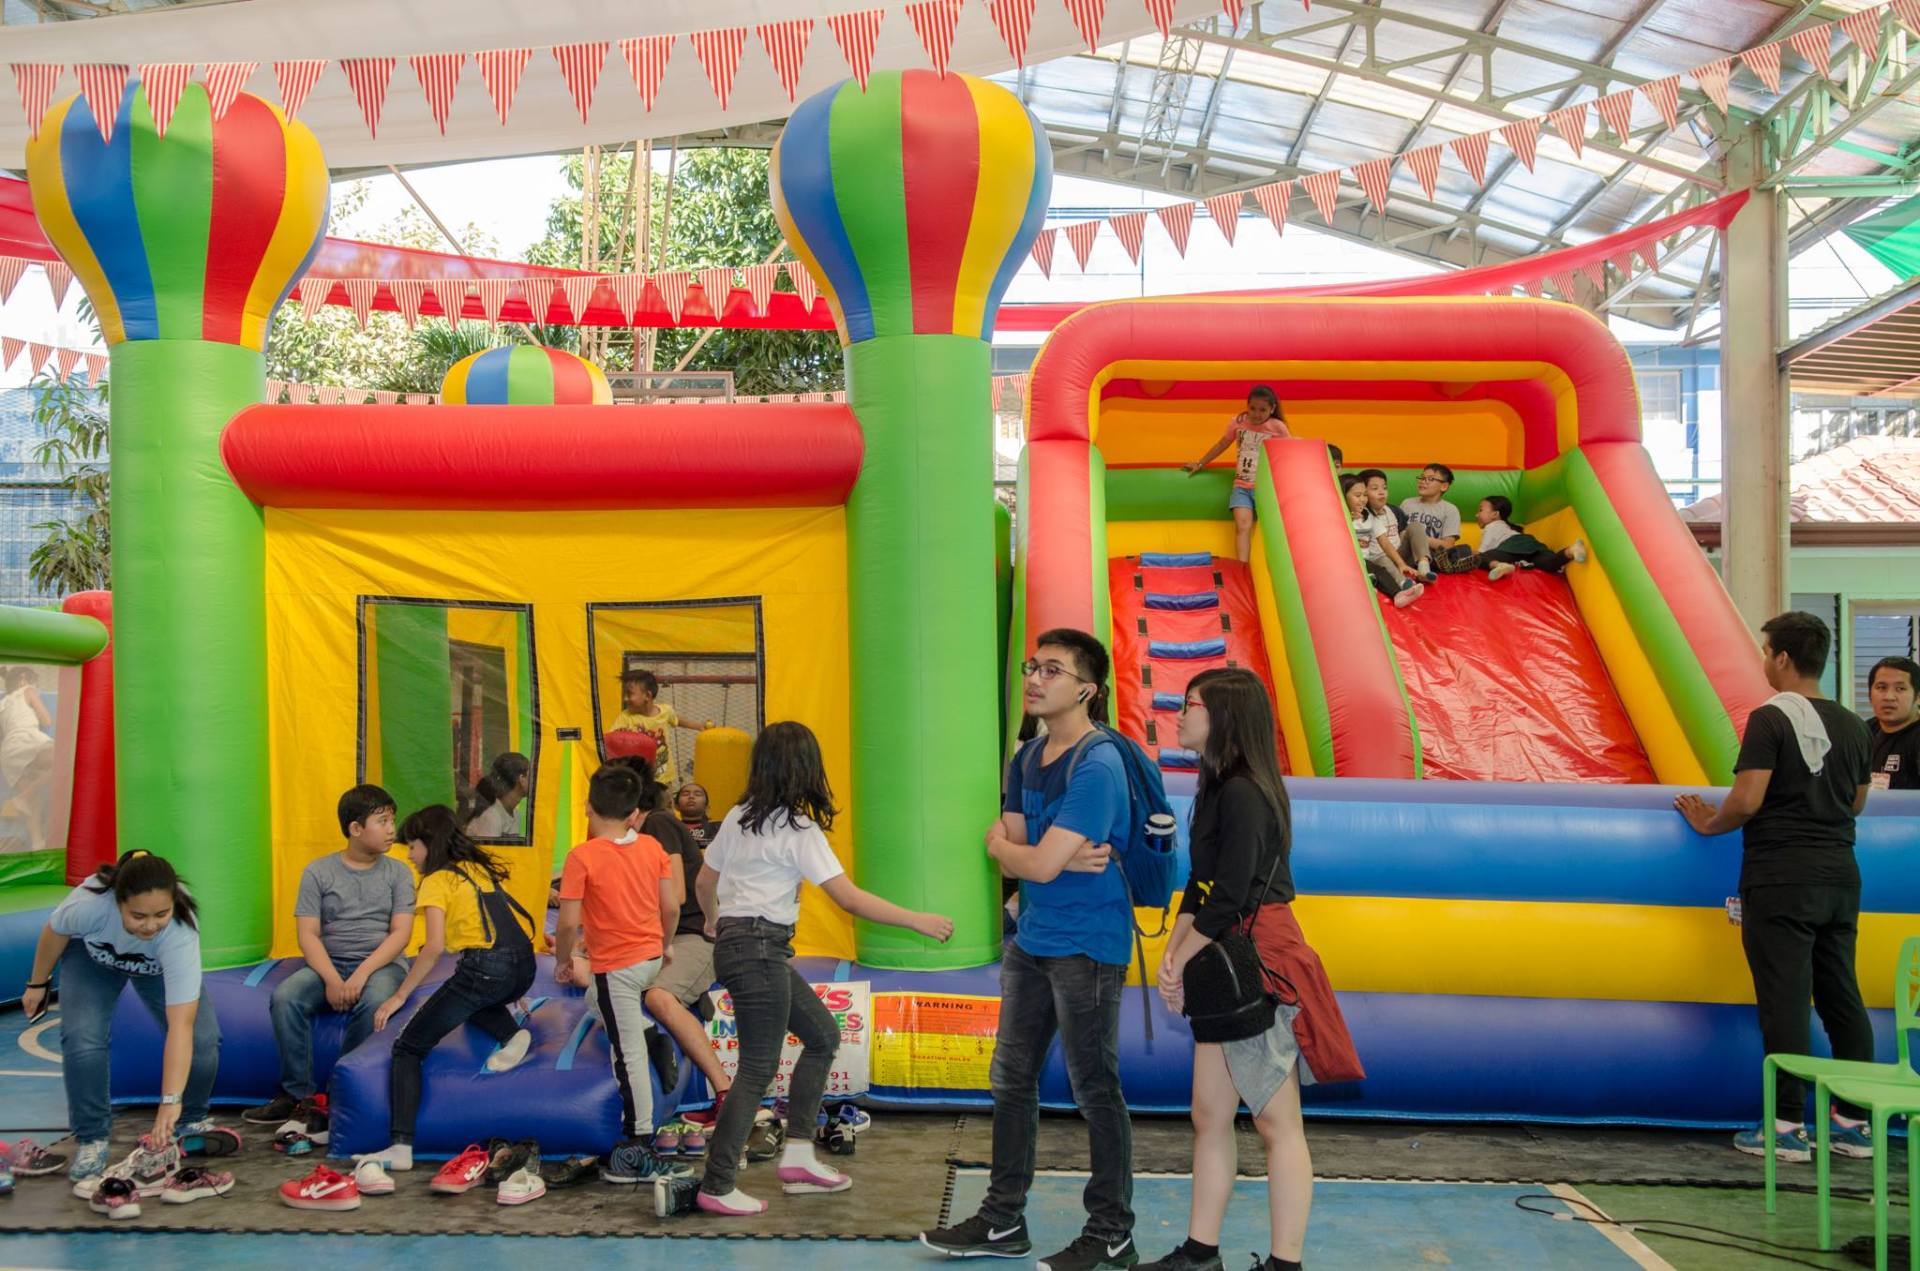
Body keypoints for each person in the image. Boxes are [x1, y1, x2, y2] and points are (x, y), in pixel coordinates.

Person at [922, 627, 1139, 1270]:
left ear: (1087, 690)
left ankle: (1112, 1232)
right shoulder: (1027, 759)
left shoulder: (1098, 764)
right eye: (1032, 667)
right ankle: (1002, 1220)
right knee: (1011, 1078)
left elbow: (1025, 858)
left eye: (1052, 670)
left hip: (1088, 946)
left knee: (1095, 1087)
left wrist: (1016, 851)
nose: (1035, 680)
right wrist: (1035, 855)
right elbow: (1026, 853)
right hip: (1034, 940)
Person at [1141, 669, 1362, 1271]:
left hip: (1255, 961)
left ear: (1224, 717)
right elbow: (1201, 884)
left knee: (1275, 1121)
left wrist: (1183, 959)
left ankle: (1285, 1263)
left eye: (1190, 704)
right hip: (1223, 957)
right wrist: (1173, 957)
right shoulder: (1214, 788)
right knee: (1209, 1113)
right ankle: (1200, 1252)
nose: (1180, 714)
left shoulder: (1244, 792)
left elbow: (1233, 895)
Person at [692, 721, 953, 1216]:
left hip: (740, 945)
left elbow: (705, 881)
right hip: (760, 949)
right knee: (757, 1068)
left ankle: (797, 1156)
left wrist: (713, 920)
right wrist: (916, 920)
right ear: (805, 770)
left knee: (822, 1036)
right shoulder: (798, 830)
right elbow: (847, 898)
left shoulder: (738, 817)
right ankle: (718, 1183)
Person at [1674, 611, 1876, 1161]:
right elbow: (1857, 800)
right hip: (1840, 876)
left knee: (1785, 999)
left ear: (1782, 658)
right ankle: (1853, 1121)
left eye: (1766, 651)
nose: (1764, 660)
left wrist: (1709, 823)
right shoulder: (1853, 724)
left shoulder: (1771, 718)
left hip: (1782, 876)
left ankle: (1786, 1126)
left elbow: (1746, 799)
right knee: (1841, 996)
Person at [20, 850, 222, 1188]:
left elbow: (181, 1026)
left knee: (204, 1041)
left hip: (154, 968)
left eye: (160, 914)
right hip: (93, 958)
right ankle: (92, 1137)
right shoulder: (90, 904)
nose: (150, 925)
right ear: (117, 902)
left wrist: (170, 1102)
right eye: (138, 916)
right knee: (83, 1039)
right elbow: (54, 932)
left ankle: (189, 1119)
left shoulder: (179, 930)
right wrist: (38, 983)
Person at [356, 806, 538, 1175]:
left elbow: (434, 947)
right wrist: (512, 986)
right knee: (469, 999)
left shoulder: (437, 880)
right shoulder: (477, 868)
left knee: (407, 1048)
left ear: (431, 844)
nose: (410, 855)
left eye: (413, 846)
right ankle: (513, 1035)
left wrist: (399, 996)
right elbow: (502, 924)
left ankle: (400, 1146)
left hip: (486, 971)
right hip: (523, 967)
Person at [244, 785, 414, 1136]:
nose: (391, 829)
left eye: (392, 821)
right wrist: (333, 980)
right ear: (356, 828)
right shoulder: (318, 872)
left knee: (375, 1001)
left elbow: (401, 934)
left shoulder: (398, 873)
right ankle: (298, 1095)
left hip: (382, 964)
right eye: (382, 821)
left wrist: (361, 974)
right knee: (286, 998)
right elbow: (308, 934)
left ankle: (340, 1092)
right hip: (330, 962)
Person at [554, 764, 688, 1183]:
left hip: (618, 969)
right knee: (599, 999)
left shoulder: (582, 856)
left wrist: (562, 959)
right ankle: (650, 1033)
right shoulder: (651, 847)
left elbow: (567, 923)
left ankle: (638, 1145)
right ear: (634, 814)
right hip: (648, 959)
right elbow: (671, 906)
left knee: (626, 1055)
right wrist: (664, 943)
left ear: (588, 807)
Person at [1182, 386, 1291, 563]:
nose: (1256, 414)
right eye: (1252, 408)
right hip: (1242, 487)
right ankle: (1242, 567)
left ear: (1272, 409)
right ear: (1247, 406)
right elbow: (1222, 444)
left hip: (1265, 488)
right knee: (1242, 526)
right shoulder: (1239, 422)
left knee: (1272, 529)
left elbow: (1288, 452)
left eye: (1262, 410)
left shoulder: (1277, 427)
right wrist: (1200, 463)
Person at [612, 670, 715, 786]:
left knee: (665, 797)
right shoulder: (625, 717)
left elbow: (676, 719)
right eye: (624, 694)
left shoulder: (665, 711)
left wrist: (698, 726)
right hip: (638, 779)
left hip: (664, 778)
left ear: (647, 696)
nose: (625, 698)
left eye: (629, 694)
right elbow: (612, 737)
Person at [1343, 473, 1424, 609]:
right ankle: (1367, 586)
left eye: (1365, 495)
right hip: (1348, 561)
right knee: (1371, 571)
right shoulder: (1340, 516)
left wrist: (1401, 564)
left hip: (1365, 560)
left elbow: (1385, 542)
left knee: (1381, 569)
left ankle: (1399, 593)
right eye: (1357, 496)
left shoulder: (1369, 516)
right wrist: (1348, 519)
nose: (1362, 500)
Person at [0, 666, 54, 850]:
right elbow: (46, 720)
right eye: (35, 682)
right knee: (65, 762)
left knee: (33, 803)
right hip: (27, 740)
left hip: (8, 752)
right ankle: (22, 797)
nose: (36, 687)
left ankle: (37, 842)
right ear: (24, 679)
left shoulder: (3, 704)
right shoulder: (27, 690)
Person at [1473, 496, 1587, 581]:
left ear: (1495, 514)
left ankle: (1499, 565)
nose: (1476, 515)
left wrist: (1468, 552)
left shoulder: (1492, 526)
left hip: (1513, 544)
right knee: (1550, 563)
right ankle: (1571, 551)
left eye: (1480, 510)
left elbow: (1482, 553)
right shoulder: (1505, 527)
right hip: (1529, 544)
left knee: (1477, 558)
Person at [1359, 468, 1434, 584]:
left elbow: (1403, 533)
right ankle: (1403, 582)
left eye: (1384, 488)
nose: (1381, 492)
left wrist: (1412, 539)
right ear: (1363, 493)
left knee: (1415, 526)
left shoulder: (1393, 510)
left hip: (1399, 557)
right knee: (1382, 559)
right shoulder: (1362, 516)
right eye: (1375, 488)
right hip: (1379, 561)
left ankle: (1423, 569)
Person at [1866, 656, 1920, 791]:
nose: (1889, 697)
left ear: (1918, 697)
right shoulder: (1863, 732)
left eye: (1900, 689)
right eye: (1881, 687)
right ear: (1869, 695)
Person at [464, 752, 531, 839]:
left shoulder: (515, 814)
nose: (534, 781)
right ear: (521, 779)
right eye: (530, 776)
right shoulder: (491, 816)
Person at [1400, 463, 1461, 554]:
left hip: (1432, 554)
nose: (1423, 481)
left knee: (1464, 549)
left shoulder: (1450, 510)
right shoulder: (1407, 504)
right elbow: (1398, 535)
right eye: (1422, 478)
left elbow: (1448, 545)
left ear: (1444, 486)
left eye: (1430, 479)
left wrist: (1418, 537)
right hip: (1407, 553)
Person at [676, 782, 719, 848]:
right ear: (676, 806)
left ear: (706, 807)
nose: (691, 797)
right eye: (685, 794)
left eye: (697, 794)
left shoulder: (718, 828)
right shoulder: (670, 830)